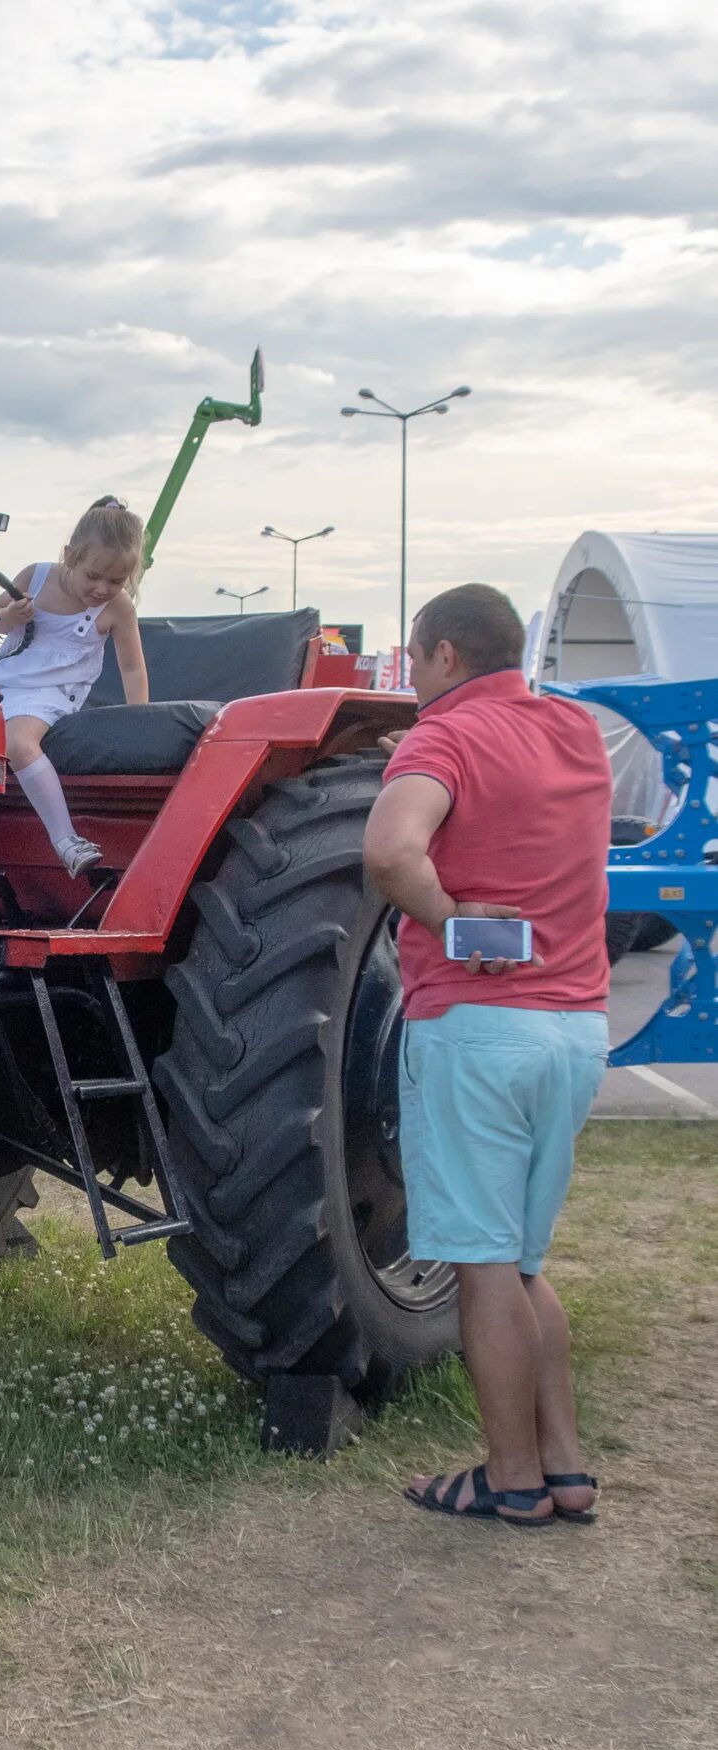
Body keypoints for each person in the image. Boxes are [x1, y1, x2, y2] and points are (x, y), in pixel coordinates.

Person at [362, 583, 612, 1528]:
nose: (415, 675)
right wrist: (422, 759)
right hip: (575, 1031)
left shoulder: (443, 741)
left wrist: (455, 923)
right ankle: (567, 1467)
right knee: (522, 1262)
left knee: (479, 1265)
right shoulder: (577, 735)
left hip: (478, 1027)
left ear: (444, 658)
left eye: (416, 659)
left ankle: (510, 1478)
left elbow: (391, 854)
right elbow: (505, 793)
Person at [0, 497, 150, 876]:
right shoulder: (35, 577)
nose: (102, 588)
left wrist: (138, 719)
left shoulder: (119, 608)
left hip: (53, 691)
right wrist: (9, 615)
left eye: (116, 580)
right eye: (94, 575)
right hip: (4, 675)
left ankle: (66, 841)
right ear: (70, 556)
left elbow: (132, 666)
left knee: (18, 743)